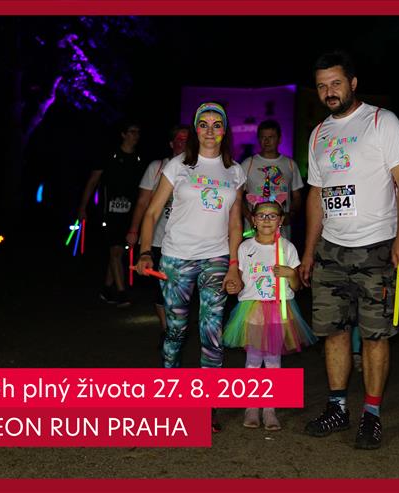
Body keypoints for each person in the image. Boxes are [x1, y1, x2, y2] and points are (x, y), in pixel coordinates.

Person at [299, 51, 399, 450]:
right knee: (332, 332)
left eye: (335, 83)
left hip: (376, 248)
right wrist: (309, 250)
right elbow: (316, 195)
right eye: (321, 86)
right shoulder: (319, 134)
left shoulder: (383, 122)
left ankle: (371, 414)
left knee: (374, 334)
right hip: (331, 250)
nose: (329, 92)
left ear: (352, 83)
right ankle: (337, 407)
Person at [135, 102, 245, 432]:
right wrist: (145, 252)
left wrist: (234, 265)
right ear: (196, 130)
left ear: (224, 131)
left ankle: (206, 407)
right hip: (177, 258)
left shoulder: (235, 171)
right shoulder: (178, 165)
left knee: (212, 334)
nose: (210, 130)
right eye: (203, 124)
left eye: (216, 124)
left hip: (216, 258)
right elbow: (152, 212)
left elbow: (235, 223)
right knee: (176, 331)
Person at [222, 198, 317, 431]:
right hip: (252, 309)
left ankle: (270, 409)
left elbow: (296, 286)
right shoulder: (245, 247)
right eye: (261, 215)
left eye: (272, 215)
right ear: (253, 220)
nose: (266, 219)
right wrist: (233, 286)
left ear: (280, 221)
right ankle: (251, 407)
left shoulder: (287, 247)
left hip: (278, 309)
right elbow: (239, 281)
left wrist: (290, 274)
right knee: (253, 360)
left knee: (274, 361)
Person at [127, 125, 190, 339]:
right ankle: (167, 331)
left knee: (182, 290)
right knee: (162, 288)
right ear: (171, 144)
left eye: (187, 140)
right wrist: (134, 230)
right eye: (179, 140)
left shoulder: (197, 169)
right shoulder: (157, 167)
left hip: (187, 243)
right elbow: (143, 202)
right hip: (158, 240)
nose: (183, 144)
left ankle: (177, 326)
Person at [77, 121, 144, 308]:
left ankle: (107, 289)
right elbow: (92, 181)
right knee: (115, 250)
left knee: (120, 252)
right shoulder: (109, 156)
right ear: (123, 134)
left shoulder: (139, 159)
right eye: (132, 131)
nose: (136, 135)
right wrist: (82, 208)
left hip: (129, 214)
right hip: (109, 213)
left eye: (138, 132)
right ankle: (122, 293)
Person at [241, 120, 304, 240]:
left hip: (282, 235)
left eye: (271, 137)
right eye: (263, 137)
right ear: (258, 139)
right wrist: (250, 217)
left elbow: (297, 197)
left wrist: (291, 214)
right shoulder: (247, 164)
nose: (266, 141)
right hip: (253, 234)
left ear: (279, 139)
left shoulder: (290, 164)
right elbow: (237, 198)